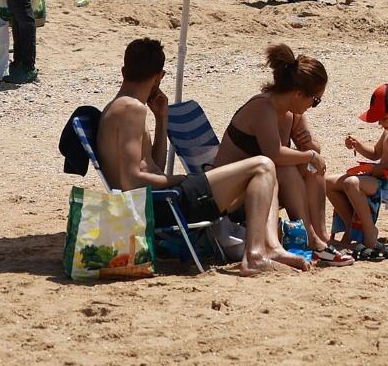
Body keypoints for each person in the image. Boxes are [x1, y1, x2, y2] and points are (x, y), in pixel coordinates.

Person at [95, 37, 308, 276]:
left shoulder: (121, 106)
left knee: (268, 172)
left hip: (160, 199)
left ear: (124, 71)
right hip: (160, 203)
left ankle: (271, 247)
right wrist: (181, 180)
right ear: (160, 76)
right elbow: (131, 181)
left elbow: (152, 166)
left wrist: (161, 118)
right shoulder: (130, 109)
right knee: (263, 165)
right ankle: (255, 255)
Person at [212, 45, 350, 265]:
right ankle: (310, 238)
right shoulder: (262, 107)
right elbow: (275, 154)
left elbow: (313, 150)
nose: (314, 107)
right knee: (286, 166)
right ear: (297, 93)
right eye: (315, 100)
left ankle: (320, 235)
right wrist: (310, 155)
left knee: (310, 168)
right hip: (228, 199)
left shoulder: (291, 112)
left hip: (259, 191)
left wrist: (310, 147)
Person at [326, 83, 388, 261]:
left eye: (383, 118)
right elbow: (376, 153)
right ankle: (352, 228)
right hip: (380, 178)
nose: (380, 123)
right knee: (328, 182)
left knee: (350, 182)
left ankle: (370, 232)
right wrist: (358, 145)